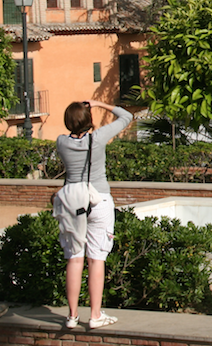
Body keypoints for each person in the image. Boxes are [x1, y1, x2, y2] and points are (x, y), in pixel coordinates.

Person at [53, 99, 132, 330]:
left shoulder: (61, 142)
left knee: (74, 258)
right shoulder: (97, 139)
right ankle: (95, 314)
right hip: (98, 199)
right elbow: (127, 116)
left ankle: (72, 315)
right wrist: (98, 103)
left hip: (71, 202)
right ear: (89, 120)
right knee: (96, 258)